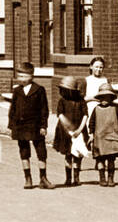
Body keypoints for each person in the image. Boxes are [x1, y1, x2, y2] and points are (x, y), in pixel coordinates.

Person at [7, 60, 54, 189]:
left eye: (24, 76)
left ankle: (43, 178)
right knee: (24, 152)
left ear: (31, 76)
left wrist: (43, 126)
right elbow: (13, 109)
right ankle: (28, 178)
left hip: (35, 126)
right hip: (20, 127)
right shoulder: (17, 91)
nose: (20, 79)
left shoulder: (39, 90)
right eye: (19, 76)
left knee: (41, 152)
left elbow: (44, 109)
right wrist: (11, 125)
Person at [52, 75, 89, 186]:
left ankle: (76, 178)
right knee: (68, 154)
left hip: (79, 130)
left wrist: (79, 129)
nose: (63, 92)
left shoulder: (81, 101)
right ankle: (68, 178)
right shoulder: (62, 101)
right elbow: (60, 115)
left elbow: (85, 115)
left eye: (65, 90)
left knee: (77, 154)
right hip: (65, 132)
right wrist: (68, 128)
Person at [87, 85, 118, 186]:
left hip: (112, 137)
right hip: (99, 138)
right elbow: (91, 123)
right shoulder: (96, 109)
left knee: (111, 160)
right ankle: (102, 178)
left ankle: (110, 178)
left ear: (111, 98)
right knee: (100, 159)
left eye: (106, 97)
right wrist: (91, 135)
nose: (104, 100)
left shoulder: (115, 108)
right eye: (101, 98)